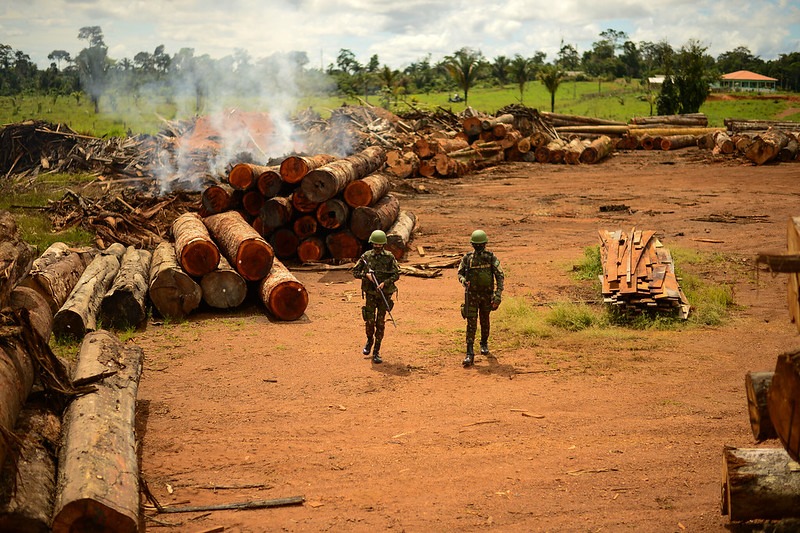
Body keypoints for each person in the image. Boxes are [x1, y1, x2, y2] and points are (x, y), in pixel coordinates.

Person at [457, 229, 504, 367]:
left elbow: (500, 276)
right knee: (471, 323)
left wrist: (498, 295)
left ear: (485, 244)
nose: (478, 247)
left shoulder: (491, 258)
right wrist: (463, 280)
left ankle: (484, 343)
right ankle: (469, 352)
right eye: (476, 245)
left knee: (485, 321)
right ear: (472, 245)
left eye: (480, 245)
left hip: (486, 295)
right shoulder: (467, 258)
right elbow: (460, 273)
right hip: (472, 296)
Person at [353, 230, 400, 364]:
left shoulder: (389, 257)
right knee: (369, 321)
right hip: (371, 295)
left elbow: (397, 273)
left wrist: (385, 283)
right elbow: (355, 271)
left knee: (380, 323)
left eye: (380, 244)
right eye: (375, 244)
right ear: (372, 243)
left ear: (384, 244)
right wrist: (366, 276)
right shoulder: (366, 257)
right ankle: (369, 340)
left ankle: (376, 351)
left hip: (384, 294)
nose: (377, 247)